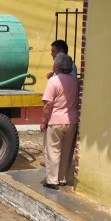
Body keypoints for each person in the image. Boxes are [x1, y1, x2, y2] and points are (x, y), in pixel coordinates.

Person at [40, 53, 79, 190]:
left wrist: (43, 121)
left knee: (53, 150)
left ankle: (52, 180)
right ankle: (62, 178)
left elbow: (48, 104)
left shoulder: (54, 81)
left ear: (56, 66)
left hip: (56, 120)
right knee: (67, 151)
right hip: (72, 120)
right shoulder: (75, 81)